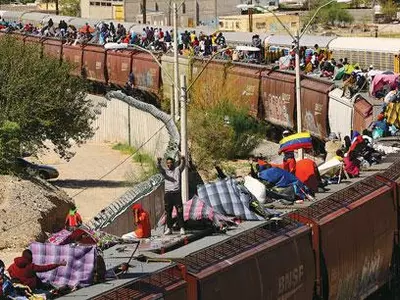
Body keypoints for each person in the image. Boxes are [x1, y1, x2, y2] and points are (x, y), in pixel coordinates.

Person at [157, 156, 186, 235]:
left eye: (170, 163)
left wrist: (183, 160)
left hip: (176, 194)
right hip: (168, 194)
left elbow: (182, 165)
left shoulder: (177, 170)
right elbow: (159, 169)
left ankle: (182, 228)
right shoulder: (165, 171)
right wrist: (159, 162)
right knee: (168, 212)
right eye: (168, 163)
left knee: (179, 211)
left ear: (173, 163)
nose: (169, 164)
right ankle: (169, 228)